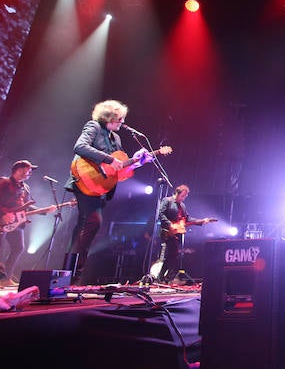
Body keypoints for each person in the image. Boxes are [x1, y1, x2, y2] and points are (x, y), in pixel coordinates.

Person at [65, 99, 149, 283]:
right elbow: (80, 147)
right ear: (109, 117)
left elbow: (119, 169)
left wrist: (138, 162)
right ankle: (72, 272)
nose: (122, 122)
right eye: (120, 118)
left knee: (84, 226)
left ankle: (68, 273)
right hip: (84, 181)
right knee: (92, 222)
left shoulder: (116, 138)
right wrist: (108, 160)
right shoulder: (94, 127)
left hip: (100, 188)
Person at [0, 160, 40, 285]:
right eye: (28, 170)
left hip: (17, 223)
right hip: (0, 221)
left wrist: (44, 210)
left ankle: (5, 278)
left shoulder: (25, 187)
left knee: (18, 248)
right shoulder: (4, 182)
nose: (30, 173)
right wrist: (3, 213)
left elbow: (25, 206)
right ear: (19, 170)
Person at [157, 184, 203, 283]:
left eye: (185, 196)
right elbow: (161, 214)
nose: (183, 198)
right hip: (167, 232)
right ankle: (165, 277)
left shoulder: (182, 206)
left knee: (172, 255)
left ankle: (162, 277)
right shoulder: (167, 200)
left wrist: (201, 221)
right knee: (173, 254)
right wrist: (170, 225)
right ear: (177, 193)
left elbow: (187, 219)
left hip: (177, 233)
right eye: (183, 196)